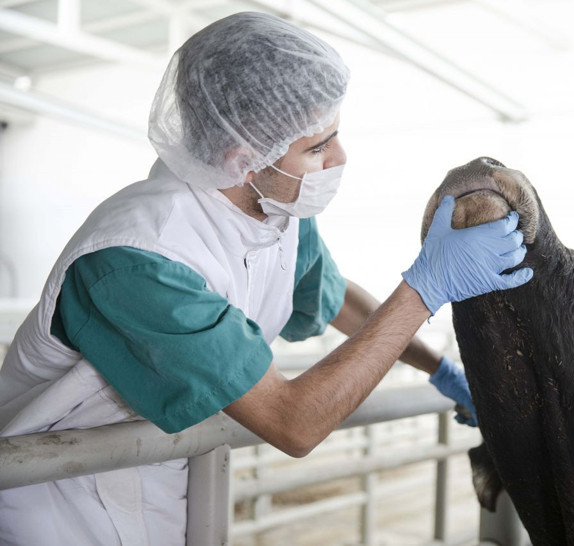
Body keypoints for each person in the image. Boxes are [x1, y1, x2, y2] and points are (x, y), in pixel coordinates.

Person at [0, 12, 532, 544]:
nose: (340, 157)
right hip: (55, 494)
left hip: (166, 478)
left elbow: (334, 296)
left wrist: (440, 370)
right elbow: (293, 423)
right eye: (318, 146)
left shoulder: (275, 209)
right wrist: (426, 288)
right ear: (243, 160)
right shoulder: (141, 258)